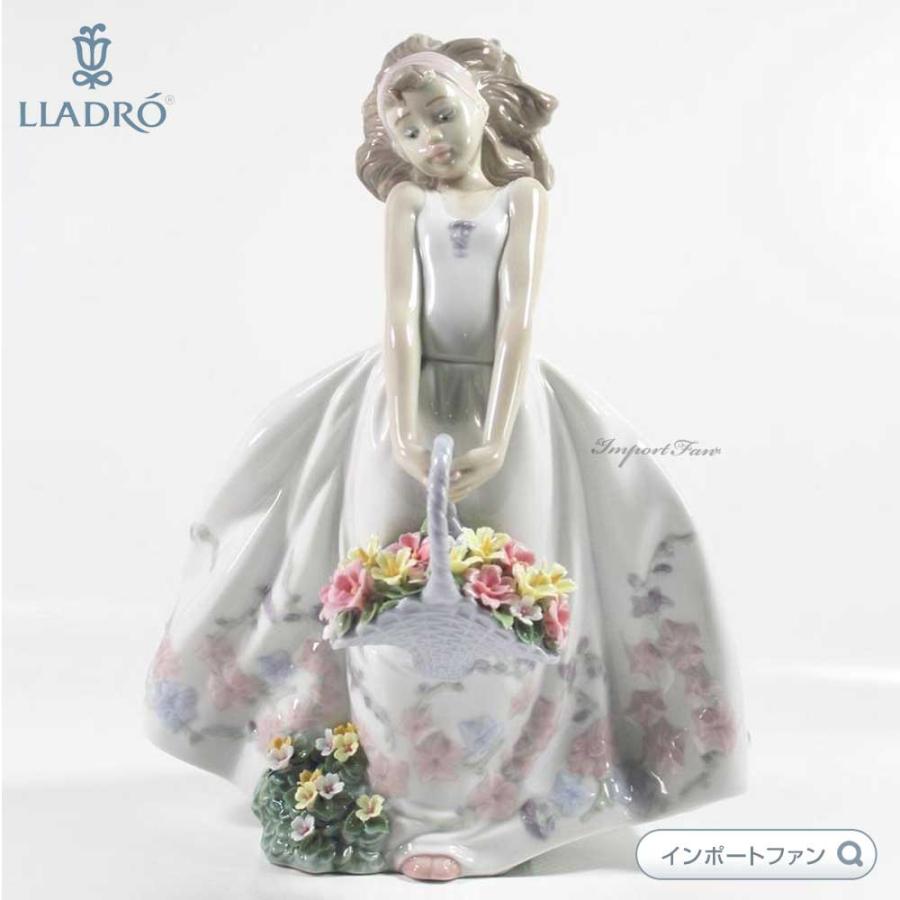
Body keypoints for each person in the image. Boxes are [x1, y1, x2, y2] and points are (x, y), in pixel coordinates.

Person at [144, 34, 747, 880]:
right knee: (374, 591)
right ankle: (391, 794)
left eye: (440, 114)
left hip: (508, 408)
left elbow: (517, 321)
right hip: (403, 409)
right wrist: (402, 423)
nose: (430, 138)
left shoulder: (523, 198)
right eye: (408, 129)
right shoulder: (407, 205)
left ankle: (494, 807)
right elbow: (399, 318)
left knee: (521, 596)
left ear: (481, 106)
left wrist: (496, 431)